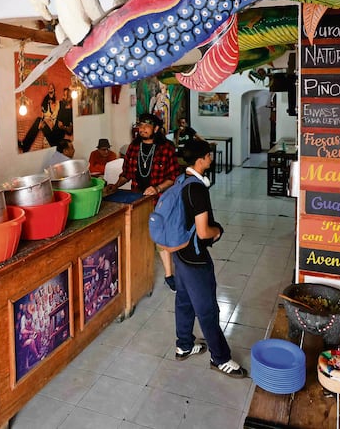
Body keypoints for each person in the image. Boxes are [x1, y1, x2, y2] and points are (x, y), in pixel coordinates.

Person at [172, 138, 248, 378]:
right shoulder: (197, 188)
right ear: (201, 159)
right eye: (209, 155)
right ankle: (220, 357)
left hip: (179, 253)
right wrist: (219, 231)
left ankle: (184, 345)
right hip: (195, 258)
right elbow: (204, 232)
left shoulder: (180, 180)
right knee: (207, 309)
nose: (212, 159)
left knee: (184, 300)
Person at [104, 113, 180, 290]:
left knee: (160, 235)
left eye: (147, 125)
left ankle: (169, 274)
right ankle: (138, 270)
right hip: (137, 197)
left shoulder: (166, 148)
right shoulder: (133, 147)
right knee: (137, 233)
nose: (143, 129)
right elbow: (127, 174)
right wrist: (115, 186)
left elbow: (174, 177)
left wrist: (157, 189)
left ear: (156, 129)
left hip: (160, 199)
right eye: (141, 125)